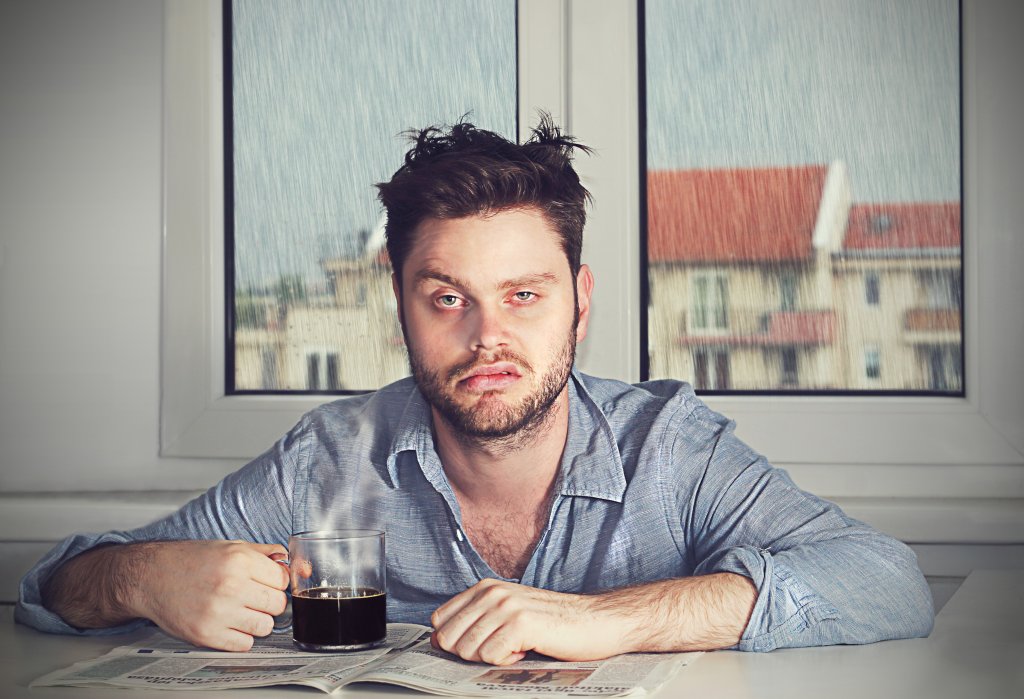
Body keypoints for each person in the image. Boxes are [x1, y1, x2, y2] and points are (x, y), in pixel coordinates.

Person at [16, 117, 934, 666]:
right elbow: (54, 585)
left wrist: (607, 620)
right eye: (448, 297)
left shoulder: (672, 447)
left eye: (524, 295)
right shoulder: (327, 461)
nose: (488, 335)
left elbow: (887, 583)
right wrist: (141, 576)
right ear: (401, 306)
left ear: (580, 302)